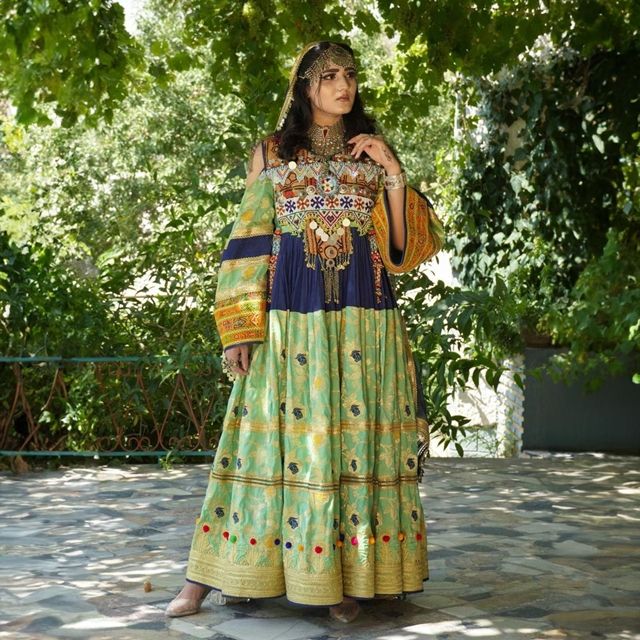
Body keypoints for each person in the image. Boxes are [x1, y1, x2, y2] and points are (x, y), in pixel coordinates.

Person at [165, 40, 444, 624]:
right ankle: (205, 577)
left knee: (350, 445)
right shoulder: (271, 153)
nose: (344, 85)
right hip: (290, 322)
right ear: (305, 87)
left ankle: (342, 579)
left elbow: (400, 251)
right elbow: (248, 241)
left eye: (351, 75)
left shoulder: (369, 153)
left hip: (365, 324)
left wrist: (393, 172)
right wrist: (238, 329)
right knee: (259, 440)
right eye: (330, 76)